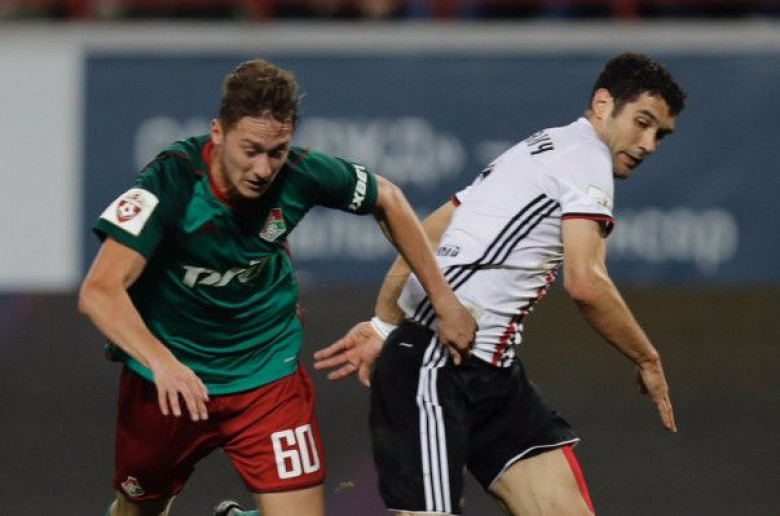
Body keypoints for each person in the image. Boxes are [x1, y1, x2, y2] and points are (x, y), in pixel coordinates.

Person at [78, 58, 476, 516]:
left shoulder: (300, 174)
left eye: (277, 151)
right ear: (217, 132)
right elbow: (99, 291)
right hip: (170, 380)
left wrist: (443, 299)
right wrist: (162, 362)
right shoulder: (170, 182)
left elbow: (387, 197)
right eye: (250, 150)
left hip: (266, 376)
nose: (264, 169)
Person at [313, 52, 686, 515]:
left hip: (490, 371)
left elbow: (430, 232)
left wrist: (384, 324)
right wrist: (647, 357)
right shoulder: (587, 159)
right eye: (642, 123)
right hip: (436, 361)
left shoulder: (540, 147)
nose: (648, 144)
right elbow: (587, 284)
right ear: (603, 104)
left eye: (660, 134)